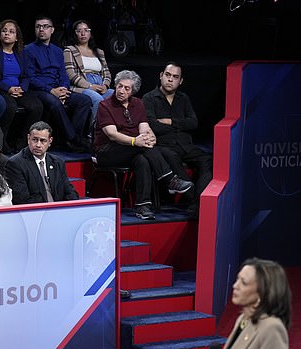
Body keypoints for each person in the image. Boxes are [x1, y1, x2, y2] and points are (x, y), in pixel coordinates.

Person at [93, 70, 193, 220]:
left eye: (127, 88)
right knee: (142, 149)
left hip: (133, 150)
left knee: (143, 160)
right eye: (120, 86)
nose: (121, 91)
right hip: (106, 152)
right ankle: (170, 180)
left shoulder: (138, 104)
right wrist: (135, 141)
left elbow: (144, 126)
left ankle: (142, 207)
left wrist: (150, 137)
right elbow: (112, 134)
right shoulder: (105, 105)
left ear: (133, 91)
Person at [142, 62, 213, 218]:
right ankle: (195, 203)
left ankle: (196, 203)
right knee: (172, 158)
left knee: (208, 160)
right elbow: (153, 126)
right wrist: (181, 125)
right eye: (168, 75)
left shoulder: (183, 98)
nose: (170, 80)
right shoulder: (149, 98)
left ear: (180, 81)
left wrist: (169, 121)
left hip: (186, 146)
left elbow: (194, 123)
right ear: (161, 76)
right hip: (164, 145)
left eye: (175, 77)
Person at [24, 16, 92, 152]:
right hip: (40, 89)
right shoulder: (28, 50)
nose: (41, 29)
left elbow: (63, 74)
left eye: (45, 26)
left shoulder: (58, 51)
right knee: (54, 102)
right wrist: (51, 90)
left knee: (84, 100)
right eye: (38, 27)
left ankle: (71, 139)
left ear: (52, 30)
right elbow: (30, 78)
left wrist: (63, 89)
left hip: (58, 88)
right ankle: (74, 140)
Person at [0, 19, 43, 152]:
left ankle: (22, 141)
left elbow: (27, 76)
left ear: (16, 37)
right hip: (0, 89)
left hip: (19, 89)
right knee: (10, 106)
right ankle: (2, 141)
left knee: (36, 106)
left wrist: (22, 87)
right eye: (4, 31)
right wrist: (8, 89)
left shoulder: (21, 53)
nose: (7, 34)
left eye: (11, 32)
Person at [5, 120, 79, 204]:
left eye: (43, 140)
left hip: (59, 212)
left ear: (50, 141)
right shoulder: (15, 164)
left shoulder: (57, 162)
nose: (38, 145)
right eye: (35, 140)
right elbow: (22, 200)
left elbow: (70, 192)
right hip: (35, 213)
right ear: (28, 139)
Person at [63, 20, 114, 126]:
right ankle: (93, 132)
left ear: (90, 33)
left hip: (100, 85)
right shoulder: (69, 50)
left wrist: (105, 85)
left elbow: (107, 73)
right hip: (83, 86)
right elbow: (71, 74)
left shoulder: (99, 52)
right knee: (98, 99)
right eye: (79, 31)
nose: (83, 33)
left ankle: (115, 129)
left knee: (116, 94)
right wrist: (90, 86)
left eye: (86, 30)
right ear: (75, 34)